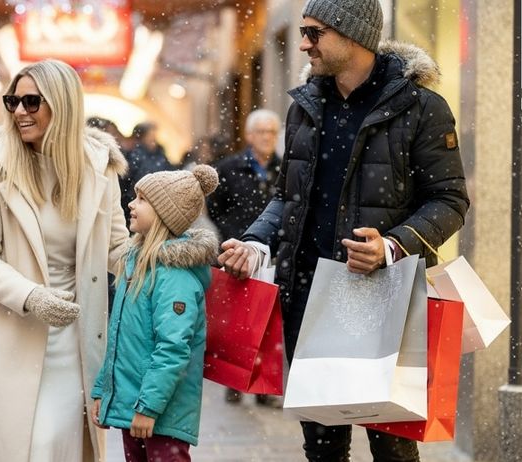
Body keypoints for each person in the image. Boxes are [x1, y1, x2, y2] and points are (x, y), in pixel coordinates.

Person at [218, 0, 470, 460]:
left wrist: (394, 245)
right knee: (322, 448)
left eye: (314, 33)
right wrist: (256, 240)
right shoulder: (305, 108)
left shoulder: (422, 108)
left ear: (350, 34)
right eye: (302, 31)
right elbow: (287, 197)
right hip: (310, 297)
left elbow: (450, 201)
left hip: (384, 301)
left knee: (392, 448)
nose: (304, 43)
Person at [0, 59, 128, 462]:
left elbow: (117, 248)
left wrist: (170, 254)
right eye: (13, 100)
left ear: (62, 105)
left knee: (60, 445)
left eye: (32, 102)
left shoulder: (98, 167)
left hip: (77, 340)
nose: (18, 112)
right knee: (23, 446)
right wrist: (33, 297)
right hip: (9, 332)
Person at [90, 165, 219, 462]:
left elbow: (173, 349)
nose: (131, 204)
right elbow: (119, 340)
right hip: (134, 408)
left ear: (164, 214)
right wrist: (103, 391)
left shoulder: (174, 277)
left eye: (142, 200)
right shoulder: (136, 266)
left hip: (158, 413)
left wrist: (148, 407)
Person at [207, 109, 283, 406]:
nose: (267, 137)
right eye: (262, 132)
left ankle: (263, 388)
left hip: (272, 254)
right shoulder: (230, 168)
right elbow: (215, 207)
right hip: (237, 252)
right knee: (238, 320)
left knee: (268, 322)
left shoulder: (284, 168)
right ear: (250, 135)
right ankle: (234, 380)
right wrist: (232, 231)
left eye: (272, 132)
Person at [120, 121, 173, 219]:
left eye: (154, 135)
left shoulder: (160, 154)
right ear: (142, 136)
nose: (153, 138)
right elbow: (130, 178)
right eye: (150, 135)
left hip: (159, 199)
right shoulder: (134, 155)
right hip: (140, 199)